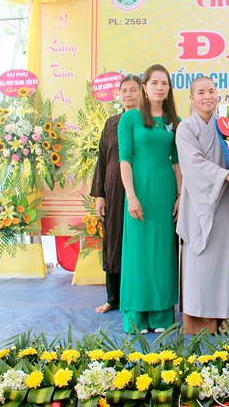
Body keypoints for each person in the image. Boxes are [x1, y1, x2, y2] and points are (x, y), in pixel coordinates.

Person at [175, 76, 229, 335]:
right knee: (202, 262)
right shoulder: (186, 128)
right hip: (199, 203)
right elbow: (193, 164)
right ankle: (202, 321)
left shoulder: (227, 126)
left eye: (211, 91)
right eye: (200, 92)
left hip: (226, 201)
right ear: (192, 98)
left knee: (226, 260)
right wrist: (228, 176)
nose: (207, 96)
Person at [118, 64, 181, 333]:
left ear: (169, 89)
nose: (159, 87)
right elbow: (125, 160)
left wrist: (180, 195)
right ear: (144, 87)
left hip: (165, 192)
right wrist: (131, 196)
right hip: (139, 192)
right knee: (138, 253)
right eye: (154, 82)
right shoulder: (130, 119)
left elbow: (177, 162)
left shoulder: (174, 121)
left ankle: (161, 315)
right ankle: (136, 316)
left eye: (164, 83)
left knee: (161, 252)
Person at [91, 74, 141, 314]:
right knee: (114, 240)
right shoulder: (111, 123)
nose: (128, 94)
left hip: (139, 187)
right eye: (124, 91)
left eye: (133, 90)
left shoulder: (148, 121)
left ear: (142, 92)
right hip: (113, 189)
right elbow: (102, 159)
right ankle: (114, 298)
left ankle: (139, 295)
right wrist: (100, 195)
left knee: (138, 240)